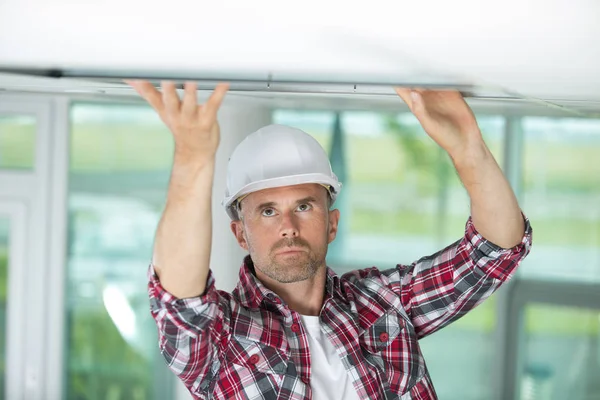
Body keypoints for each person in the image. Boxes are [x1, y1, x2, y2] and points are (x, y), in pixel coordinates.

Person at [128, 80, 532, 400]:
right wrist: (193, 160)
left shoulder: (383, 303)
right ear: (240, 234)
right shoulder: (225, 336)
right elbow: (179, 303)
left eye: (304, 206)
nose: (287, 225)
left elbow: (494, 251)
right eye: (267, 211)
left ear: (332, 224)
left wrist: (467, 147)